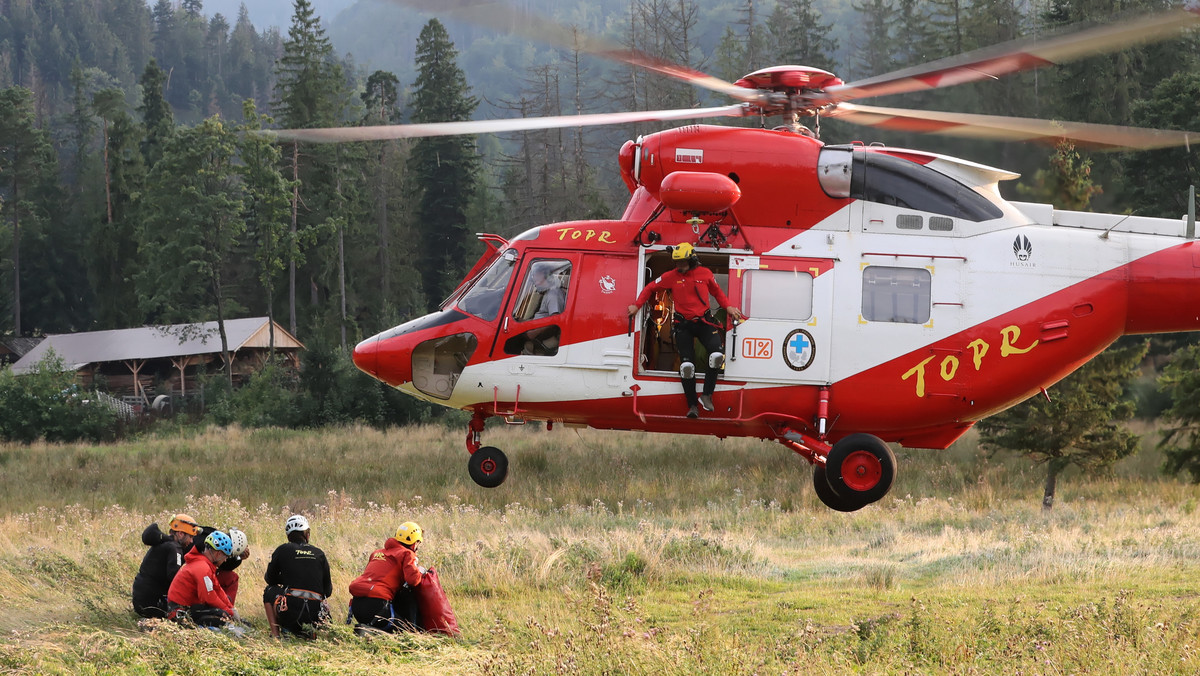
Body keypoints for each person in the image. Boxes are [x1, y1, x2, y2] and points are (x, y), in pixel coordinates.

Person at [628, 242, 746, 418]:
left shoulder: (705, 274)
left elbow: (718, 293)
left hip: (704, 322)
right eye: (677, 262)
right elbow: (650, 287)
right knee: (686, 366)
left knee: (716, 355)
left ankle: (707, 395)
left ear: (691, 260)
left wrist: (728, 307)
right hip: (683, 326)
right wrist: (637, 306)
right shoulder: (671, 276)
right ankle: (692, 406)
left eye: (682, 262)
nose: (679, 266)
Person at [263, 515, 333, 639]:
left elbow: (270, 579)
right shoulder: (319, 553)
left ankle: (275, 635)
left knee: (268, 590)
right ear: (307, 534)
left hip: (289, 612)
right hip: (315, 615)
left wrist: (287, 579)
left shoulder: (283, 549)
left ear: (288, 536)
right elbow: (327, 590)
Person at [348, 522, 425, 633]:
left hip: (357, 606)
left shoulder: (377, 553)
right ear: (414, 542)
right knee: (408, 633)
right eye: (418, 542)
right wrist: (420, 572)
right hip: (378, 606)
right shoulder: (407, 554)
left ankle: (368, 633)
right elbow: (413, 580)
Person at [166, 530, 241, 629]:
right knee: (222, 616)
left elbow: (217, 588)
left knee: (223, 613)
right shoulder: (202, 568)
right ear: (218, 554)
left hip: (185, 608)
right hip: (180, 613)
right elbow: (209, 597)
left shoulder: (204, 564)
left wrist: (230, 608)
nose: (225, 560)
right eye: (225, 556)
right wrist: (229, 612)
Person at [131, 513, 200, 618]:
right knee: (192, 614)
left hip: (141, 601)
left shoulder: (164, 543)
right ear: (181, 534)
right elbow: (175, 577)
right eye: (190, 537)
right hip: (152, 604)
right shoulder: (174, 548)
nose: (191, 541)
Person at [191, 525, 250, 605]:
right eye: (227, 555)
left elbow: (223, 566)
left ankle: (227, 606)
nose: (226, 558)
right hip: (193, 578)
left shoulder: (216, 539)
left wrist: (238, 558)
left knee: (231, 577)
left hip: (199, 575)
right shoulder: (203, 542)